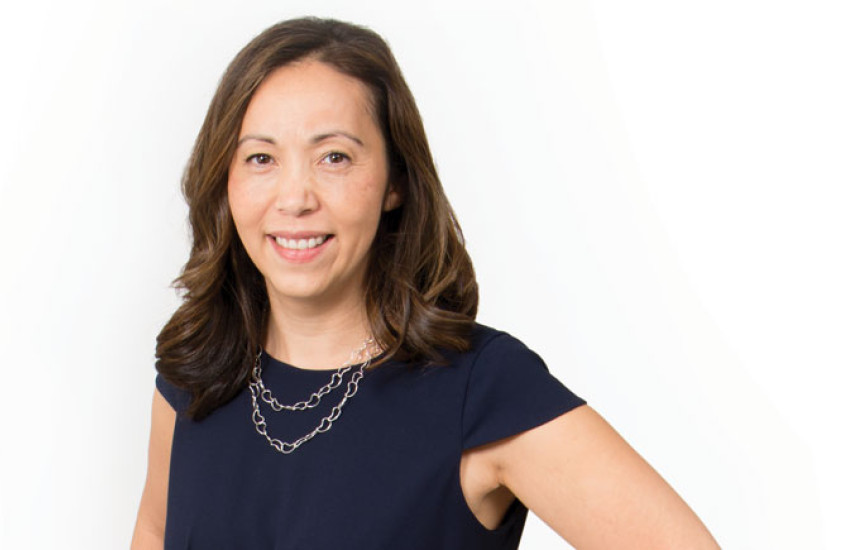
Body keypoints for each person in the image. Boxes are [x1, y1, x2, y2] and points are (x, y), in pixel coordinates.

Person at [131, 16, 719, 549]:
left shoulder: (479, 389)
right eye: (260, 158)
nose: (295, 198)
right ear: (224, 178)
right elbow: (154, 534)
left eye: (334, 157)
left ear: (395, 182)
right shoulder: (196, 367)